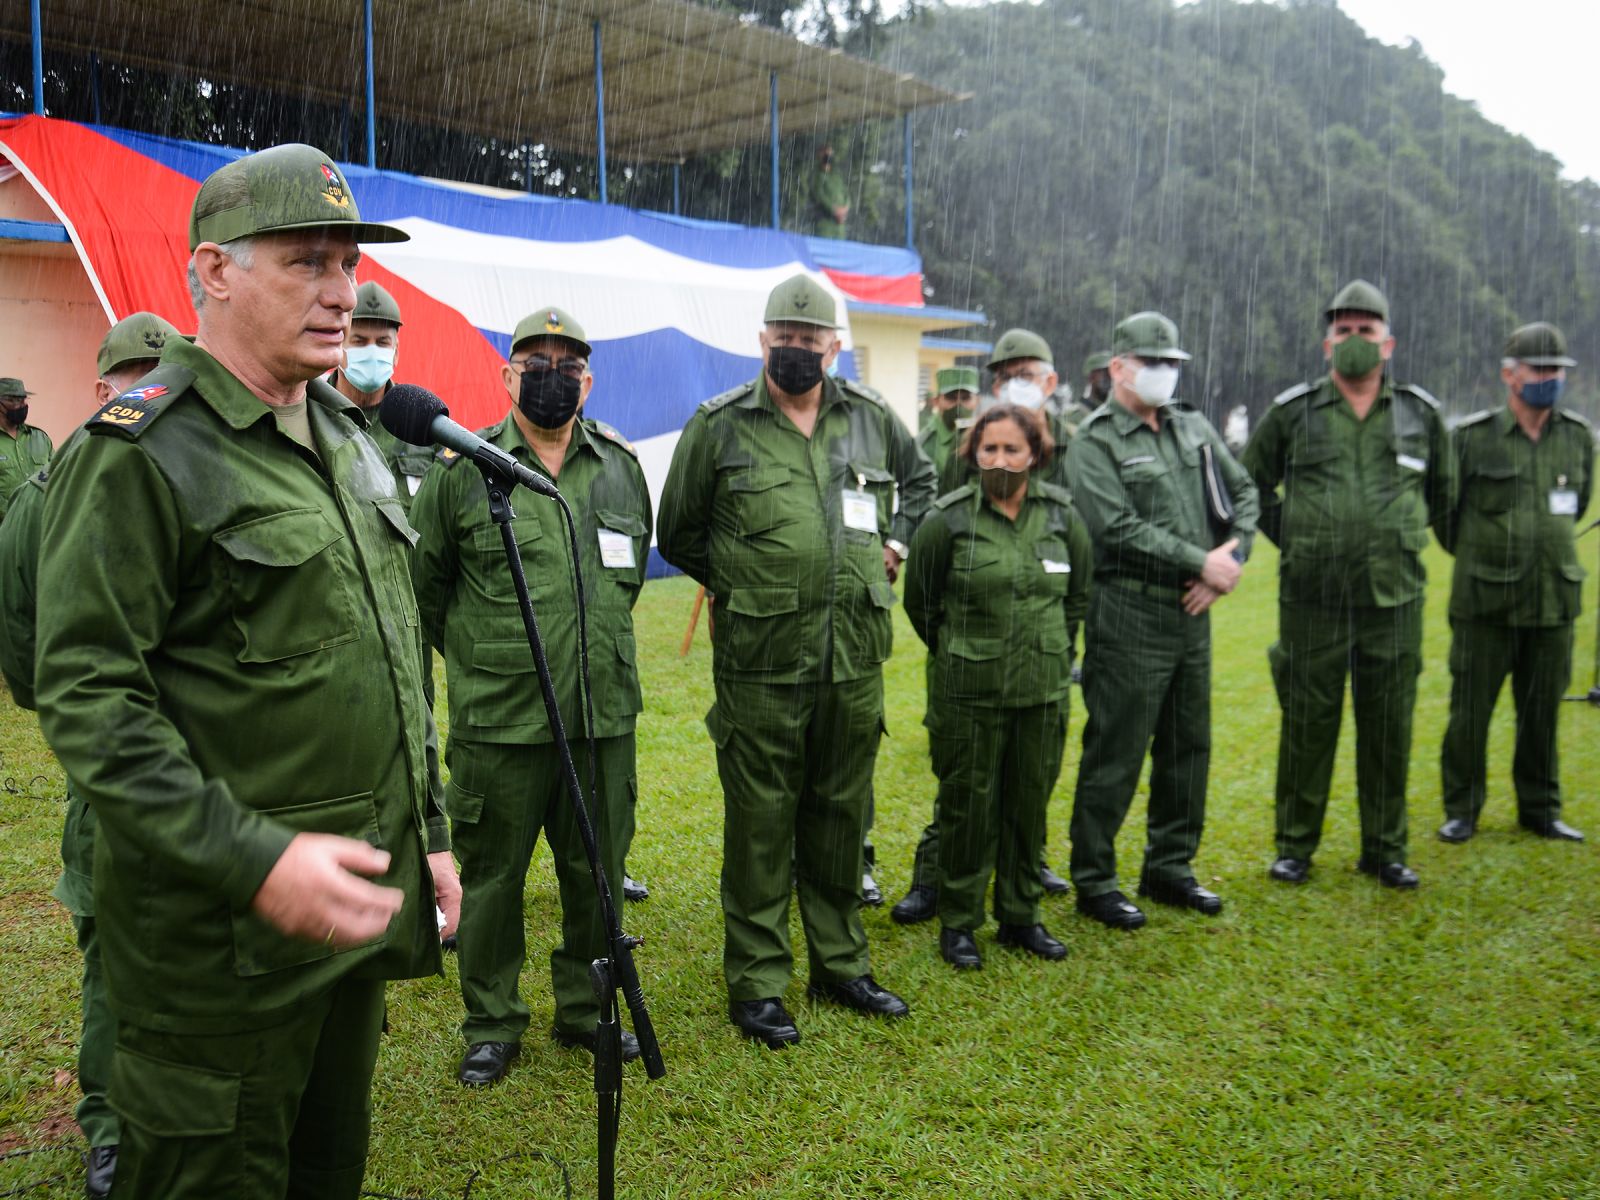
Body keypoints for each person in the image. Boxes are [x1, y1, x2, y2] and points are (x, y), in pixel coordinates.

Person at [32, 142, 461, 1200]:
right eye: (305, 262)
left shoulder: (346, 439)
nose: (340, 294)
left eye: (348, 265)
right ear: (214, 271)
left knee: (326, 1173)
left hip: (346, 922)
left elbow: (395, 656)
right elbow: (89, 699)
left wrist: (433, 834)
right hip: (214, 951)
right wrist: (255, 857)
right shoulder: (140, 452)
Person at [658, 273, 935, 1048]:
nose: (796, 352)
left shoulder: (872, 421)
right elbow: (679, 530)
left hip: (852, 661)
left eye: (810, 343)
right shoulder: (718, 426)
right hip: (759, 664)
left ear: (834, 348)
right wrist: (743, 581)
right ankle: (757, 983)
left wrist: (897, 539)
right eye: (783, 339)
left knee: (841, 819)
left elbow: (922, 484)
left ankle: (841, 965)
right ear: (762, 342)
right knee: (759, 826)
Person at [409, 305, 651, 1085]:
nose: (554, 374)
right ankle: (492, 1021)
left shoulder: (620, 466)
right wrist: (492, 662)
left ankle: (585, 1010)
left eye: (568, 362)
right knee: (491, 880)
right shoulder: (461, 468)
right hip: (501, 724)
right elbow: (428, 590)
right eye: (535, 360)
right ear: (506, 373)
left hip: (600, 717)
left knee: (596, 875)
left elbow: (626, 579)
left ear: (589, 378)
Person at [0, 311, 178, 1199]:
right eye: (131, 376)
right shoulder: (46, 493)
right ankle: (109, 1126)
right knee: (115, 963)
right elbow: (28, 655)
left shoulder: (202, 473)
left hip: (208, 777)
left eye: (163, 372)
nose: (148, 389)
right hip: (109, 786)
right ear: (100, 387)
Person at [1242, 280, 1454, 890]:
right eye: (1344, 331)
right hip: (1313, 600)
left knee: (1389, 727)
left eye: (1366, 330)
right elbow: (1248, 486)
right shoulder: (1292, 413)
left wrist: (1403, 533)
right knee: (1308, 723)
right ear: (1326, 343)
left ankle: (1385, 849)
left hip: (1396, 599)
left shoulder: (1420, 413)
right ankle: (1295, 846)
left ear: (1388, 344)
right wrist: (1299, 536)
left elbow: (1444, 495)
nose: (1355, 340)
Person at [1067, 311, 1258, 929]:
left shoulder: (1194, 427)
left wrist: (1227, 561)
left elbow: (1246, 495)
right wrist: (1197, 559)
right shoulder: (1095, 440)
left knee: (1188, 745)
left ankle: (1170, 866)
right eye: (1153, 364)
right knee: (1117, 750)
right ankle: (1095, 880)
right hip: (1128, 610)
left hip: (1190, 613)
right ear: (1118, 367)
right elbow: (1113, 525)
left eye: (1172, 365)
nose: (1164, 375)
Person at [904, 404, 1091, 969]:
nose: (1001, 460)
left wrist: (1050, 650)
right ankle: (960, 922)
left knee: (1027, 806)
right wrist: (964, 652)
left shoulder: (1062, 518)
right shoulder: (948, 519)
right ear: (973, 454)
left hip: (1042, 692)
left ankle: (1020, 916)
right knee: (968, 808)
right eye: (990, 450)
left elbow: (1077, 598)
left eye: (1013, 450)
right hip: (969, 694)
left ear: (1035, 453)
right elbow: (922, 603)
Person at [1437, 322, 1592, 844]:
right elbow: (1445, 514)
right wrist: (1488, 556)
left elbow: (1577, 507)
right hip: (1485, 601)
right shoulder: (1472, 438)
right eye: (1539, 369)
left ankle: (1540, 810)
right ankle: (1463, 809)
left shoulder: (1576, 437)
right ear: (1510, 375)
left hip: (1552, 601)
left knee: (1542, 713)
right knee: (1470, 714)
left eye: (1557, 371)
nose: (1549, 379)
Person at [328, 280, 434, 508]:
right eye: (359, 341)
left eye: (382, 342)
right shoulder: (308, 411)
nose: (372, 350)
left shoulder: (423, 422)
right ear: (338, 345)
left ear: (396, 353)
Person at [0, 376, 53, 523]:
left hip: (41, 524)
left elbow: (57, 475)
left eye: (22, 400)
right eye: (12, 400)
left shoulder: (40, 438)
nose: (19, 405)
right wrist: (16, 516)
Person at [916, 366, 979, 478]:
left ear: (977, 401)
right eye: (951, 398)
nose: (959, 406)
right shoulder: (924, 444)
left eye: (965, 398)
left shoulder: (984, 436)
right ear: (936, 401)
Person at [811, 144, 849, 239]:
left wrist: (845, 208)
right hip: (824, 223)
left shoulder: (836, 175)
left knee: (840, 252)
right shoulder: (816, 175)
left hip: (840, 225)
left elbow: (846, 194)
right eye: (825, 154)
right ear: (819, 156)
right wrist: (834, 210)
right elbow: (818, 195)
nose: (828, 157)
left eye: (830, 154)